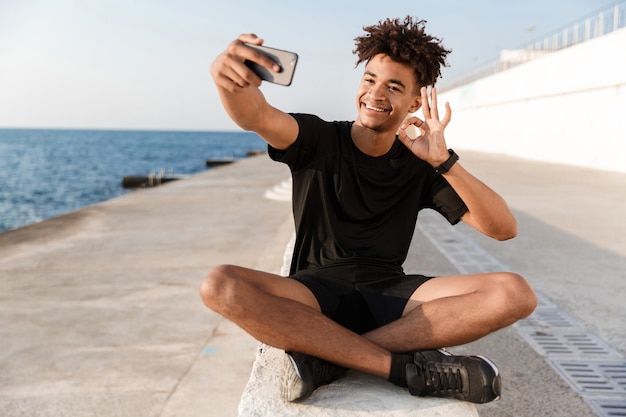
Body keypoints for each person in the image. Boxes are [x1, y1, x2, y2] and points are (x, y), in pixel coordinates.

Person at [202, 16, 537, 404]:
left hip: (392, 295)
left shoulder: (420, 164)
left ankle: (331, 358)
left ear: (415, 102)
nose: (376, 94)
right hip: (313, 293)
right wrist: (228, 81)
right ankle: (401, 369)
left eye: (393, 87)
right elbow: (255, 115)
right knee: (219, 284)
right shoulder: (318, 138)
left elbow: (503, 227)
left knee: (515, 293)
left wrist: (444, 160)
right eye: (369, 80)